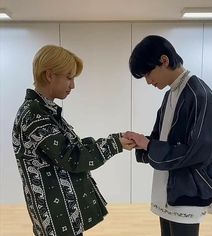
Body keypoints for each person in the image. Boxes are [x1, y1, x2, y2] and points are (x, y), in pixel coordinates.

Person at [12, 45, 135, 236]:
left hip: (61, 213)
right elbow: (73, 157)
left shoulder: (44, 110)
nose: (73, 85)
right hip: (56, 216)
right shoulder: (35, 115)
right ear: (50, 75)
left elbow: (71, 148)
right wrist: (115, 144)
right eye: (69, 78)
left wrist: (115, 140)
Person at [124, 35, 212, 236]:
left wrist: (149, 146)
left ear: (164, 60)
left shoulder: (199, 93)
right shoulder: (171, 94)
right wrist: (142, 144)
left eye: (148, 73)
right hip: (170, 187)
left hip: (188, 191)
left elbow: (199, 151)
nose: (148, 81)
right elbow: (162, 139)